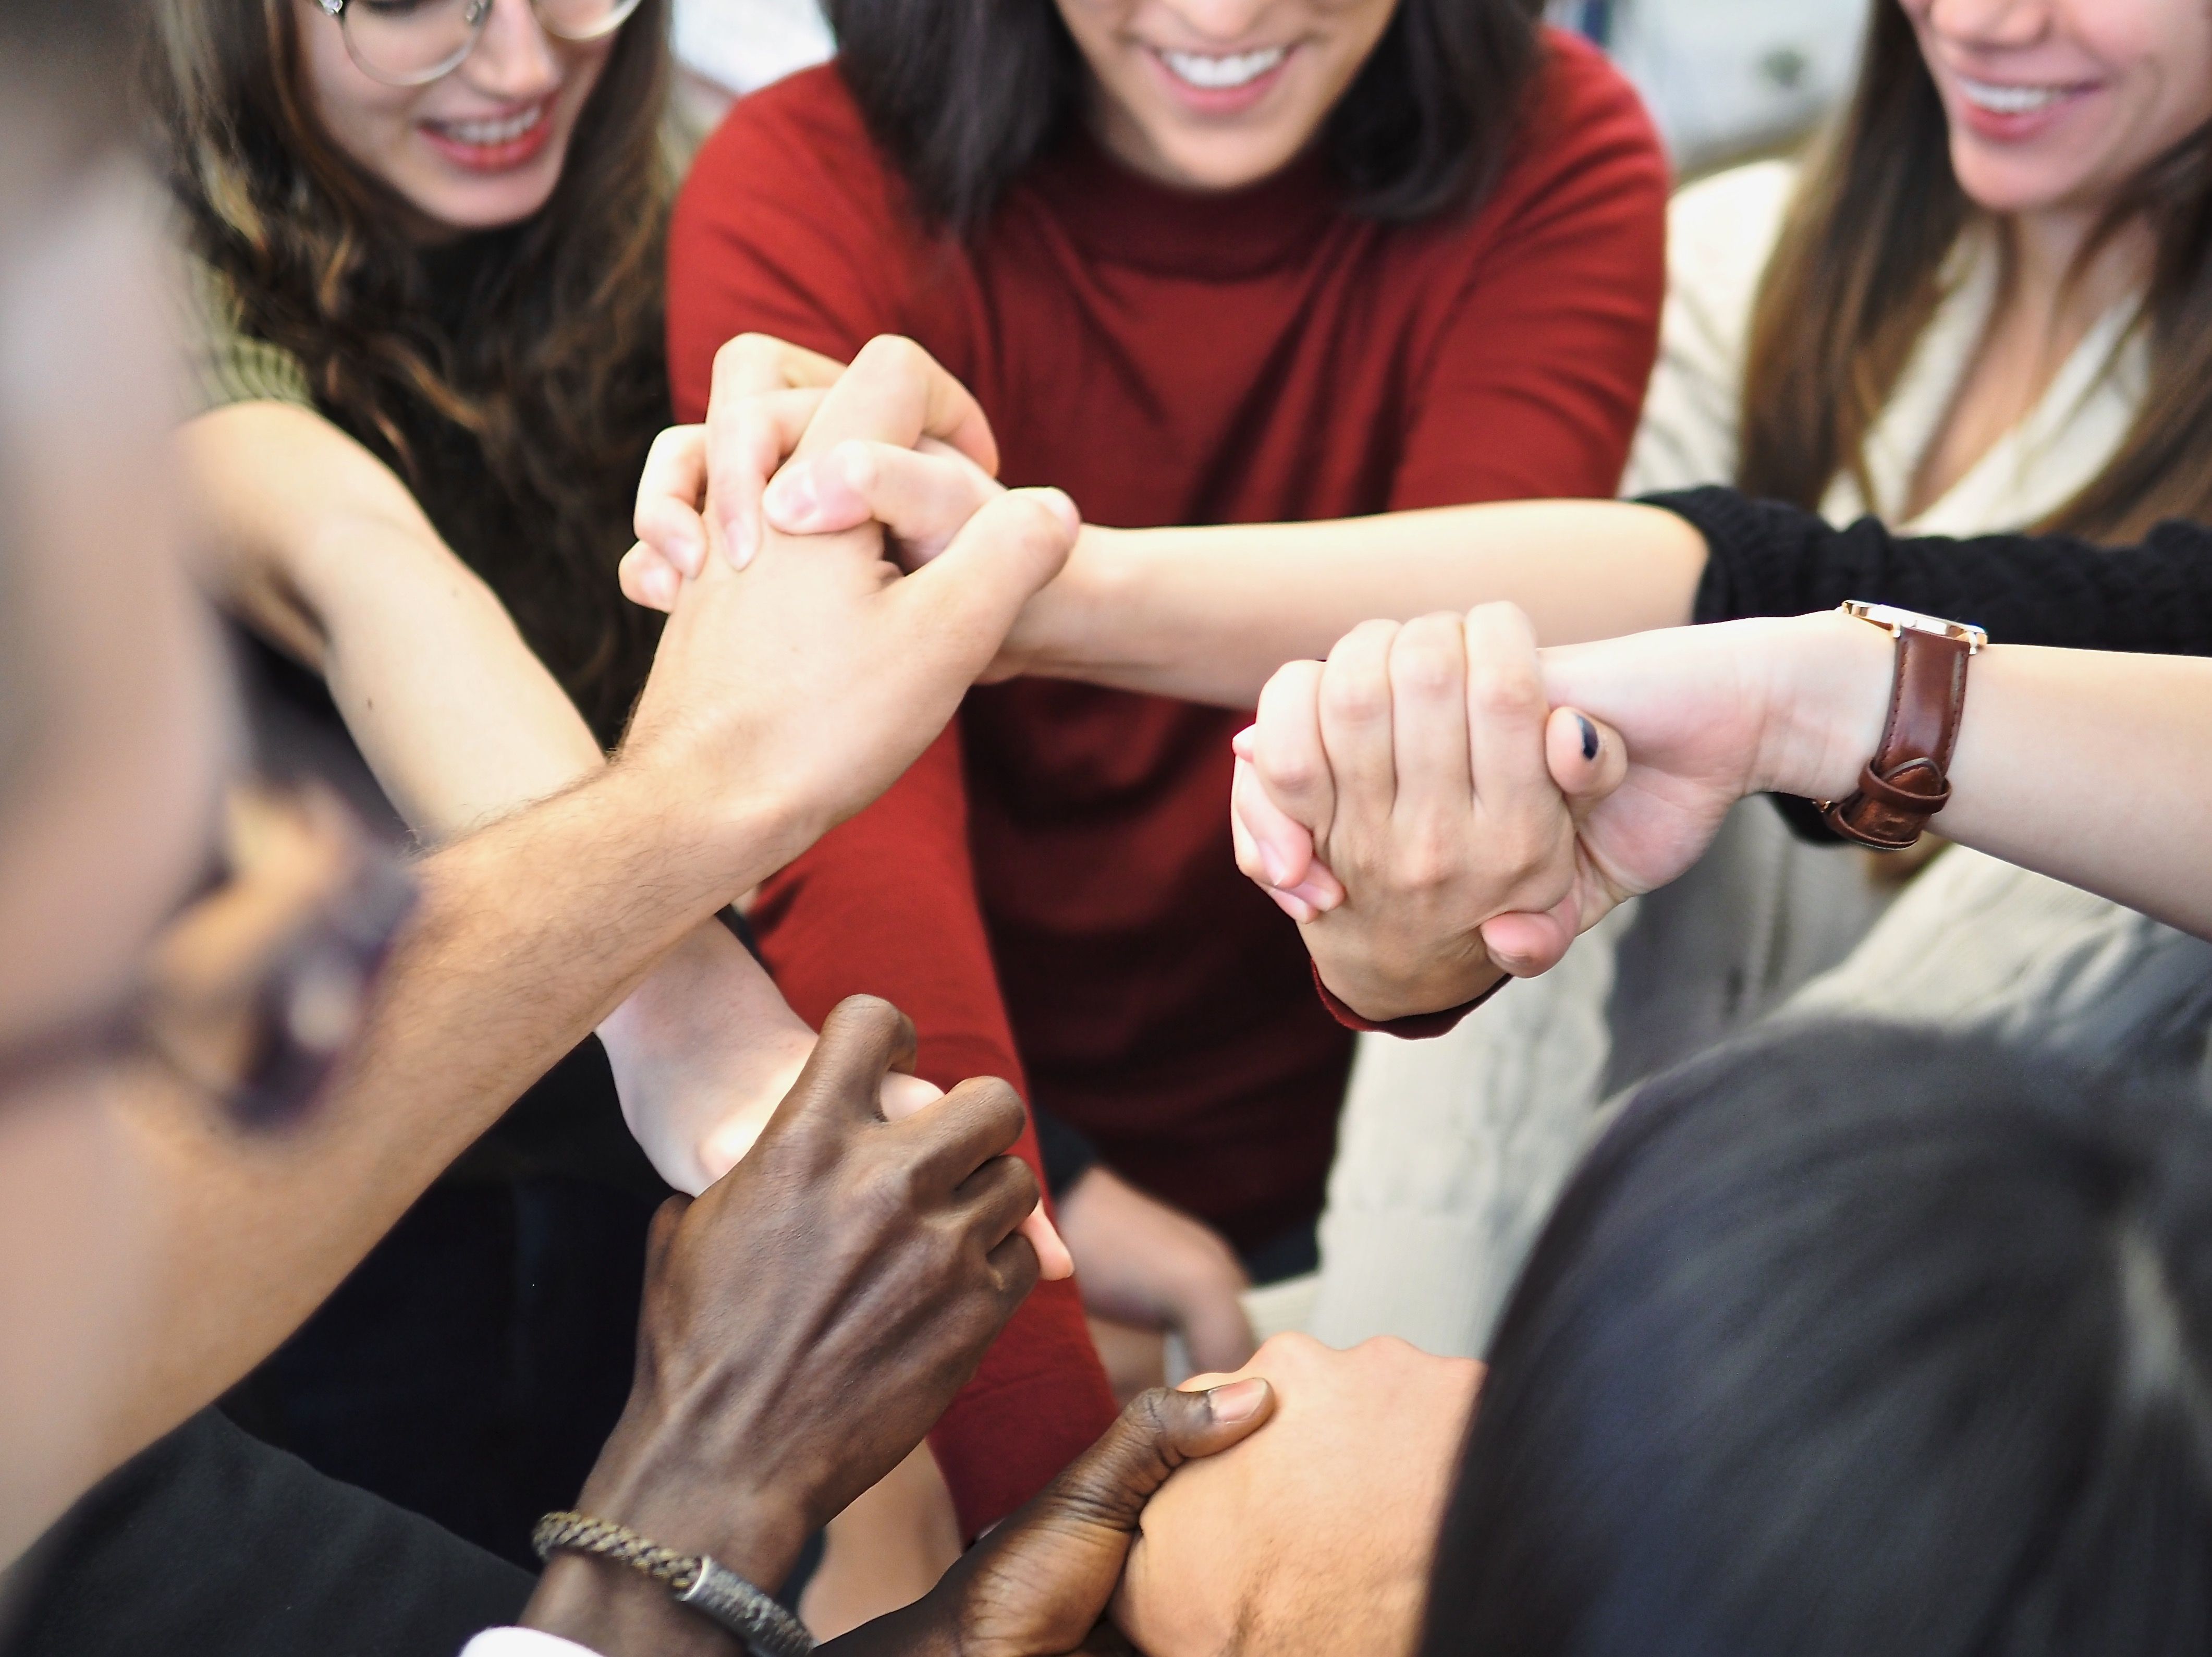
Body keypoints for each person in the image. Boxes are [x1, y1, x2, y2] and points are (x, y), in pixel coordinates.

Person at [0, 13, 1233, 1656]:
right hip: (306, 1219)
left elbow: (849, 797)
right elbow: (358, 566)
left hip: (612, 1218)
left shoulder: (719, 181)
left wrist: (1015, 1155)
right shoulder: (93, 228)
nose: (519, 66)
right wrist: (704, 1032)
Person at [661, 0, 1668, 1382]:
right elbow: (844, 823)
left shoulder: (1557, 148)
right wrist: (1027, 1243)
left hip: (1373, 1181)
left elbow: (1441, 785)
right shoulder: (811, 178)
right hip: (965, 1179)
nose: (1219, 11)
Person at [1310, 0, 2212, 1358]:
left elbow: (1963, 1016)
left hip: (1874, 1380)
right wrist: (1392, 1343)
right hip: (1516, 1312)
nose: (1981, 19)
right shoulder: (1730, 256)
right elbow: (1519, 729)